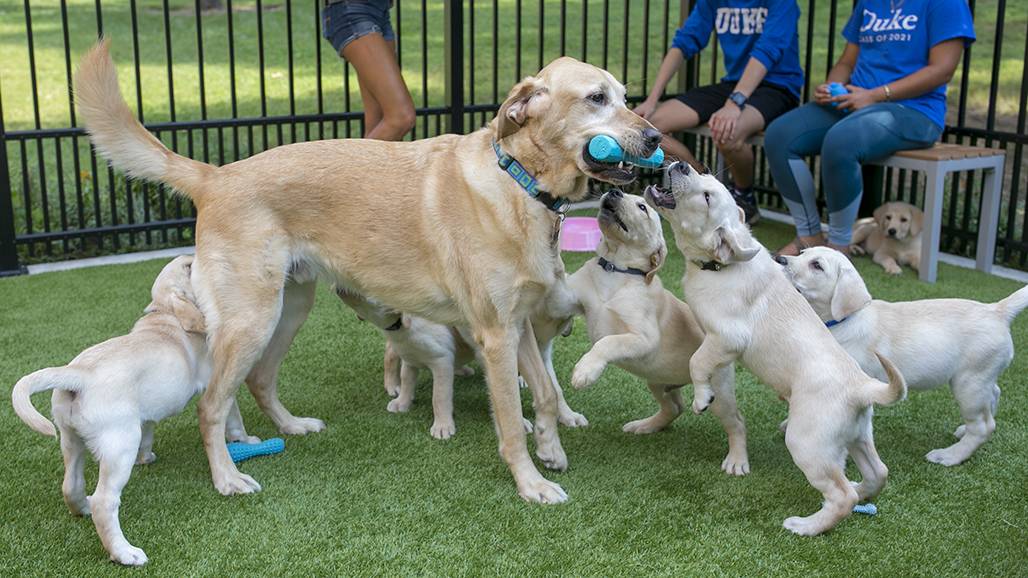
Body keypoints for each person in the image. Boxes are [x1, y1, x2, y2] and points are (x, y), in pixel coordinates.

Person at [764, 0, 975, 256]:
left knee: (842, 140)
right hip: (856, 101)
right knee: (780, 135)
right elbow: (847, 62)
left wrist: (876, 95)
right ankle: (809, 235)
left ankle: (838, 248)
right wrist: (832, 86)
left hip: (914, 111)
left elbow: (942, 70)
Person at [635, 0, 804, 224]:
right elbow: (685, 41)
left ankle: (744, 198)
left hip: (777, 87)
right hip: (733, 85)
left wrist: (734, 104)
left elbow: (767, 50)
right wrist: (652, 99)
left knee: (729, 133)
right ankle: (702, 181)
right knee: (648, 128)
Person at [322, 0, 416, 140]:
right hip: (352, 13)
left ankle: (362, 162)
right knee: (401, 117)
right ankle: (349, 163)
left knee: (379, 126)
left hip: (380, 11)